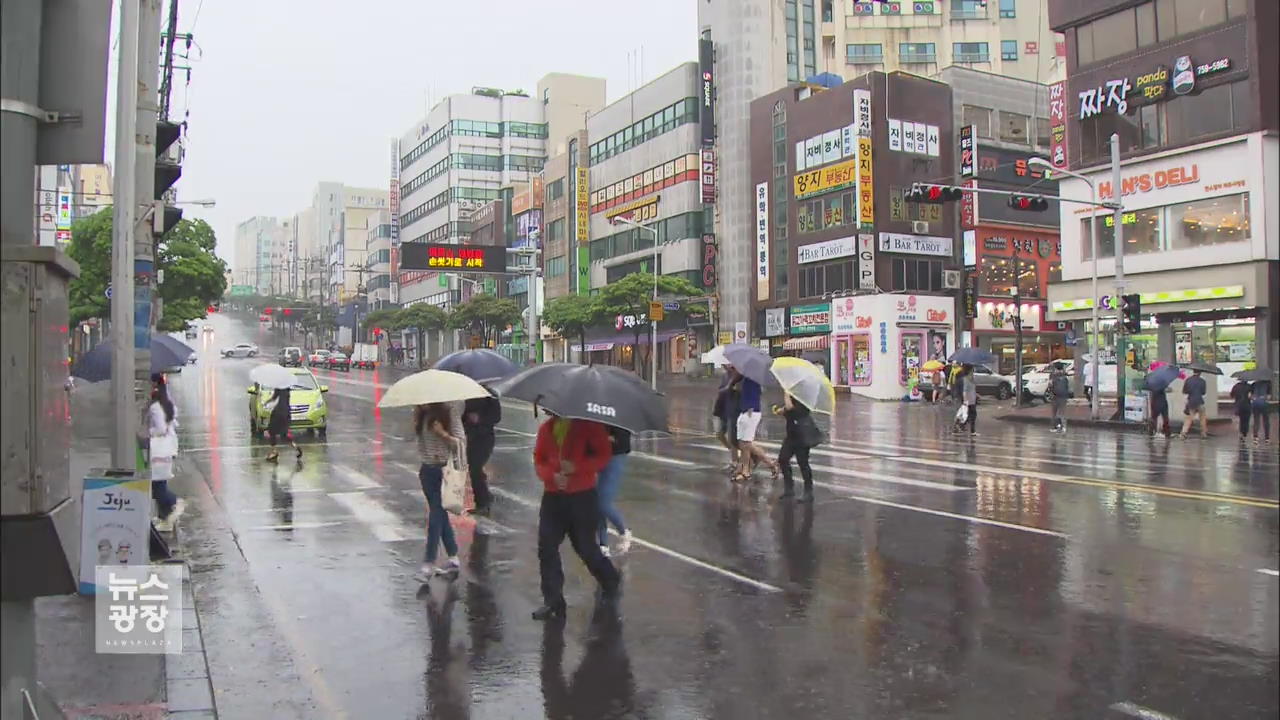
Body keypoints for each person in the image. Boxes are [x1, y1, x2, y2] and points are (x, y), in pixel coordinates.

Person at [531, 412, 620, 620]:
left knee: (585, 547)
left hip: (582, 497)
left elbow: (603, 455)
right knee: (547, 547)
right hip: (553, 497)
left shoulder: (588, 426)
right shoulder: (546, 429)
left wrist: (577, 467)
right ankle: (553, 601)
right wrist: (551, 476)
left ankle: (610, 580)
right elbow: (539, 459)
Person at [415, 401, 464, 580]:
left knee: (436, 514)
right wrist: (417, 420)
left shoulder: (449, 411)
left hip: (444, 471)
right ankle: (453, 557)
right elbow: (421, 445)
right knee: (440, 515)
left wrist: (443, 433)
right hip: (427, 471)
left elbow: (460, 443)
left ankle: (429, 563)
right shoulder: (421, 414)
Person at [147, 373, 184, 530]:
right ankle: (165, 519)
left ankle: (175, 502)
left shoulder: (155, 407)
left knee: (158, 486)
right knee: (158, 484)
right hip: (167, 448)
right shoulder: (168, 404)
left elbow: (160, 429)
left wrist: (149, 431)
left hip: (158, 450)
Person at [773, 392, 819, 502]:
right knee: (783, 459)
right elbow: (789, 409)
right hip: (791, 434)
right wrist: (781, 411)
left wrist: (786, 394)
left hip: (802, 434)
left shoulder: (804, 394)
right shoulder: (794, 392)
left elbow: (791, 407)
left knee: (803, 463)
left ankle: (808, 492)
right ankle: (789, 489)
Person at [733, 374, 779, 483]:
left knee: (746, 444)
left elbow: (753, 396)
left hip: (750, 412)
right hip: (745, 411)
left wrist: (748, 412)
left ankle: (747, 470)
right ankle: (769, 464)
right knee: (743, 443)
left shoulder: (752, 378)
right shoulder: (745, 378)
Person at [463, 389, 501, 516]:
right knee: (474, 468)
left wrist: (479, 419)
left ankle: (483, 502)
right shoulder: (468, 393)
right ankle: (485, 496)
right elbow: (462, 415)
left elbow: (496, 417)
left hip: (485, 437)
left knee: (475, 468)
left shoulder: (490, 395)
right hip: (472, 436)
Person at [596, 426, 632, 557]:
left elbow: (622, 440)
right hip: (598, 455)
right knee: (597, 501)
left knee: (603, 503)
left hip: (615, 456)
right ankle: (603, 544)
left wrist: (606, 439)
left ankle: (623, 531)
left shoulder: (621, 413)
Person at [264, 385, 302, 463]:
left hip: (278, 413)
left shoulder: (278, 387)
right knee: (284, 434)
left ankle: (274, 452)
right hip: (287, 413)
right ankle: (296, 447)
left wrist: (266, 402)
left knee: (272, 431)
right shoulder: (287, 388)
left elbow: (274, 398)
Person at [713, 366, 740, 473]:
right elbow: (721, 389)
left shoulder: (739, 376)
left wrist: (730, 388)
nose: (727, 365)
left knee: (732, 437)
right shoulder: (725, 375)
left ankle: (735, 461)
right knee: (719, 433)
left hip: (733, 409)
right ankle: (735, 454)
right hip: (722, 408)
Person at [1179, 369, 1209, 439]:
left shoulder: (1188, 380)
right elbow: (1203, 392)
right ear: (1200, 373)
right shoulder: (1202, 381)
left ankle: (1183, 433)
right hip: (1200, 401)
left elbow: (1184, 391)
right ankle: (1204, 433)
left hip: (1191, 402)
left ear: (1193, 372)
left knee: (1189, 418)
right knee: (1202, 418)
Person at [1049, 362, 1070, 433]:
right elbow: (1067, 387)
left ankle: (1056, 426)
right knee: (1062, 413)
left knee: (1054, 413)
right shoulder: (1065, 376)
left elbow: (1050, 386)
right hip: (1063, 396)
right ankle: (1063, 427)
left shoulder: (1053, 376)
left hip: (1055, 396)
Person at [1251, 379, 1273, 446]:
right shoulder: (1268, 383)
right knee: (1266, 421)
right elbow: (1269, 396)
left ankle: (1255, 438)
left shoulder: (1254, 384)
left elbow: (1250, 396)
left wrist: (1255, 398)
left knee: (1256, 421)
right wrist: (1264, 398)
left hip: (1255, 404)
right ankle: (1267, 439)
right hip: (1264, 404)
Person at [958, 364, 978, 435]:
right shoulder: (966, 379)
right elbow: (965, 390)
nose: (973, 371)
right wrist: (965, 400)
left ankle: (962, 426)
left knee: (970, 415)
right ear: (969, 370)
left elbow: (972, 389)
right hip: (968, 400)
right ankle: (971, 430)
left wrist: (977, 395)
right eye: (972, 370)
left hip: (973, 399)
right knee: (972, 415)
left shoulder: (972, 379)